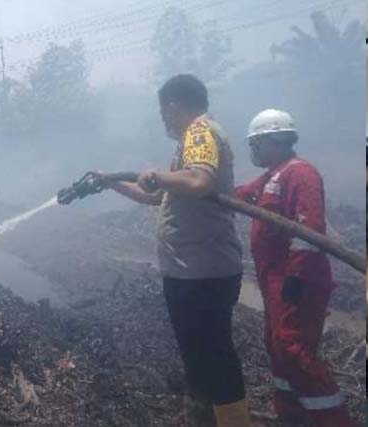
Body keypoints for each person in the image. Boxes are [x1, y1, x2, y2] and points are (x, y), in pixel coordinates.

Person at [95, 74, 250, 427]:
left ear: (173, 105)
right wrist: (111, 182)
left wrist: (159, 174)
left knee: (214, 358)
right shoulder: (191, 140)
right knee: (200, 358)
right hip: (192, 271)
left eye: (163, 110)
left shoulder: (198, 132)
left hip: (202, 272)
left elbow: (198, 181)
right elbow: (155, 195)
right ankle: (206, 420)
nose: (163, 118)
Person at [235, 109, 356, 427]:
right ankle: (293, 416)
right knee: (278, 346)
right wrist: (201, 188)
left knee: (293, 347)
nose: (255, 152)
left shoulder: (301, 173)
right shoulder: (274, 174)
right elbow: (242, 195)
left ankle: (333, 419)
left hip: (298, 280)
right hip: (276, 279)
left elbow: (310, 228)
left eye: (257, 144)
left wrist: (296, 277)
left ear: (274, 140)